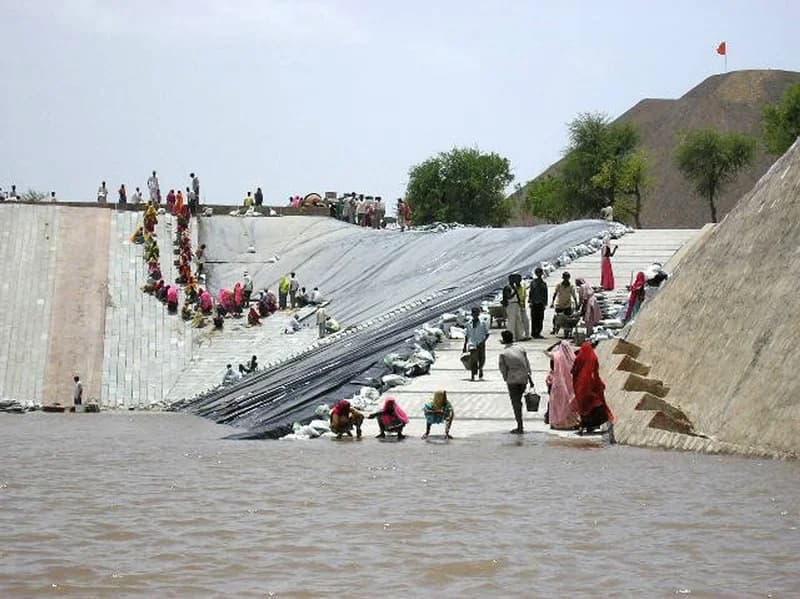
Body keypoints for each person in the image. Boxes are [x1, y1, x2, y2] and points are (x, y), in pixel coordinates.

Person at [572, 342, 615, 433]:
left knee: (584, 407)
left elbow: (573, 370)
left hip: (580, 386)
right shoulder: (593, 357)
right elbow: (595, 372)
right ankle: (593, 425)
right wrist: (599, 384)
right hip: (591, 385)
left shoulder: (580, 357)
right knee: (596, 405)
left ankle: (585, 425)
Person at [498, 330, 532, 434]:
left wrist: (506, 378)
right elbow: (527, 364)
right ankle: (520, 424)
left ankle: (520, 426)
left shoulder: (503, 353)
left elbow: (502, 369)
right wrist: (530, 378)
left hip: (512, 380)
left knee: (516, 403)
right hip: (523, 379)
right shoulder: (521, 349)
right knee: (519, 401)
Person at [546, 341, 580, 430]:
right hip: (571, 385)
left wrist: (554, 344)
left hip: (559, 383)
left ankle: (559, 423)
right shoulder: (573, 357)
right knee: (569, 404)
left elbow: (545, 351)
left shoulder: (557, 356)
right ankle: (571, 423)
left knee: (558, 404)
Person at [463, 306, 489, 381]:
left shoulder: (483, 323)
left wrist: (483, 342)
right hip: (472, 344)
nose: (475, 315)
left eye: (477, 314)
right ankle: (473, 375)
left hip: (481, 343)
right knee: (473, 360)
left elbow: (487, 334)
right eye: (474, 314)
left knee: (481, 359)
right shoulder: (468, 324)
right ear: (472, 314)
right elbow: (467, 335)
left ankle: (480, 369)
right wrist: (464, 346)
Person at [550, 271, 578, 337]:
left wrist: (576, 304)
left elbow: (574, 296)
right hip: (559, 304)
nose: (566, 279)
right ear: (563, 278)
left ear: (569, 278)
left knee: (568, 319)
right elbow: (555, 293)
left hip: (567, 305)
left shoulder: (571, 286)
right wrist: (552, 302)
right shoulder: (559, 285)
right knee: (556, 318)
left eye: (567, 278)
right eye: (565, 278)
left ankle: (567, 331)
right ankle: (555, 328)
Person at [502, 273, 528, 343]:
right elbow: (508, 297)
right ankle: (511, 337)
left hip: (516, 305)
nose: (513, 280)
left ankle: (519, 336)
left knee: (518, 321)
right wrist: (515, 292)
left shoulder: (514, 287)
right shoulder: (508, 287)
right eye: (512, 279)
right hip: (511, 305)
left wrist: (520, 304)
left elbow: (518, 297)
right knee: (512, 321)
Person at [529, 267, 548, 339]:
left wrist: (545, 303)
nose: (539, 274)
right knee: (534, 318)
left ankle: (538, 332)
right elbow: (531, 293)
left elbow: (545, 294)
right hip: (534, 303)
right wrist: (530, 301)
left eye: (540, 272)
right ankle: (534, 332)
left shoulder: (543, 283)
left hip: (541, 303)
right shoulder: (533, 282)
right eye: (537, 273)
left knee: (540, 319)